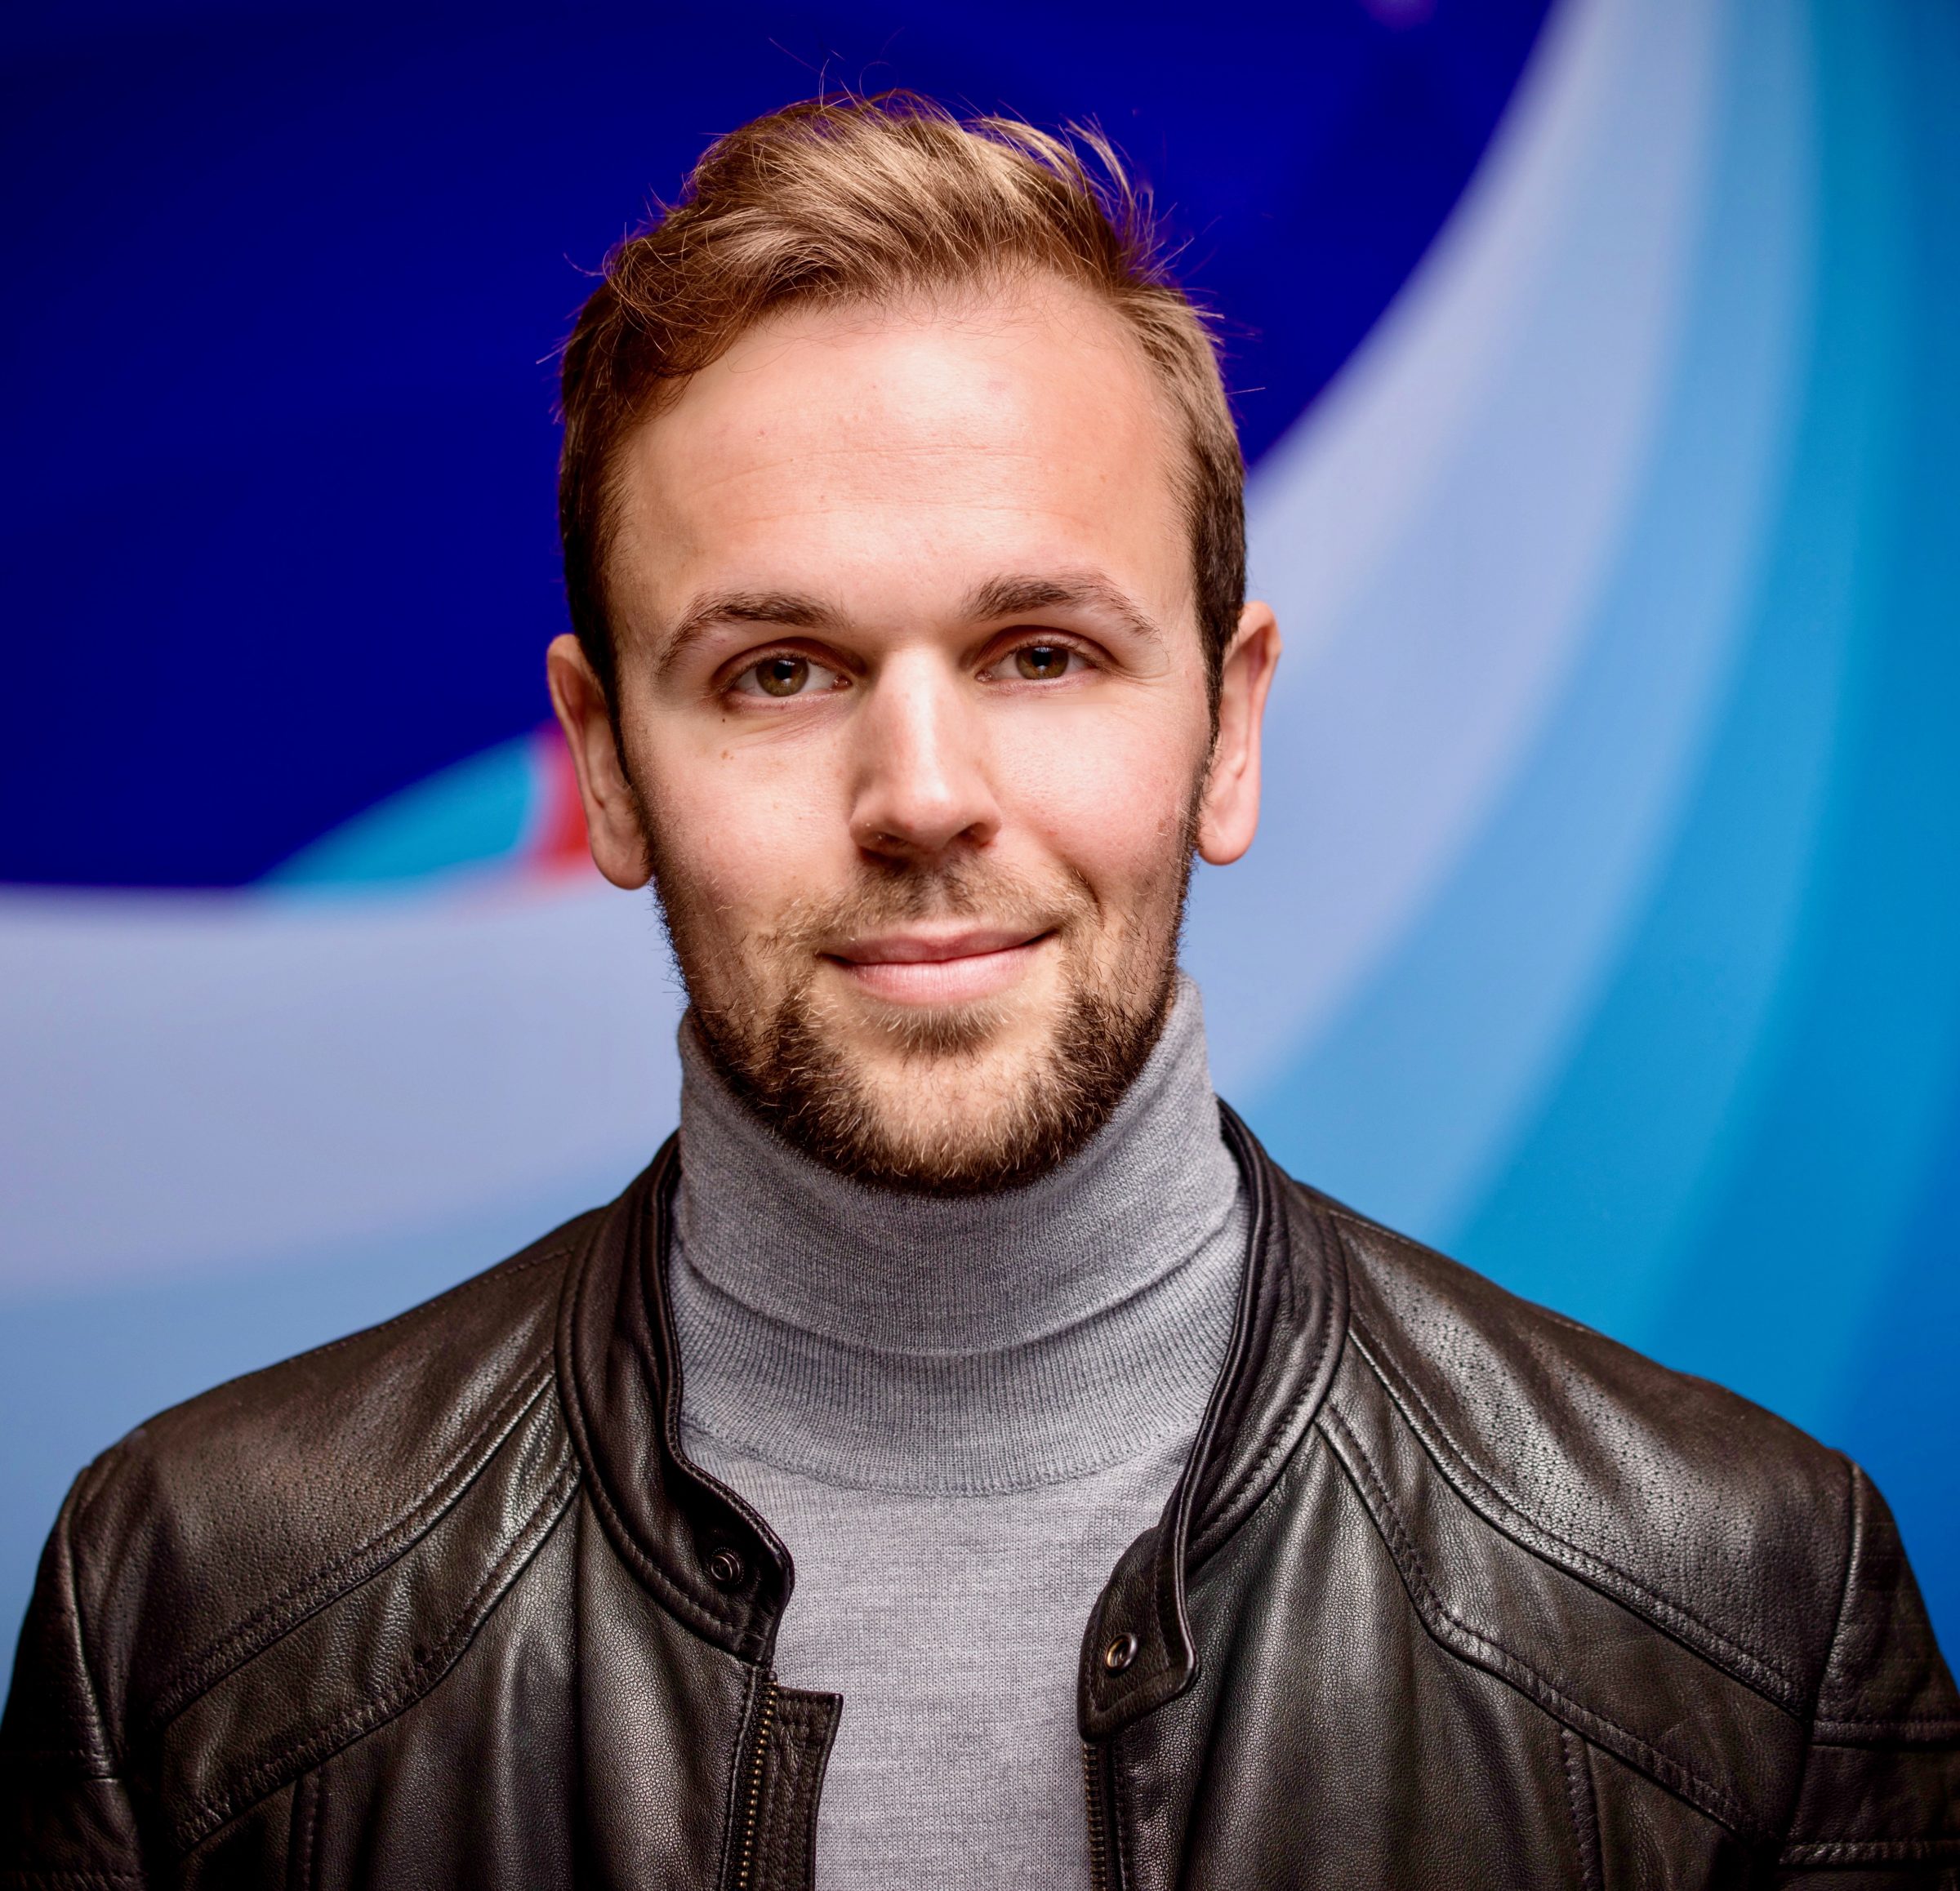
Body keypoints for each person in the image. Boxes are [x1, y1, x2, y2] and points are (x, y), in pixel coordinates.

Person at [3, 91, 1954, 1890]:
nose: (923, 795)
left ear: (1230, 727)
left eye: (1039, 654)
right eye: (779, 671)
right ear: (606, 768)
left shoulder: (1745, 1612)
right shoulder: (193, 1613)